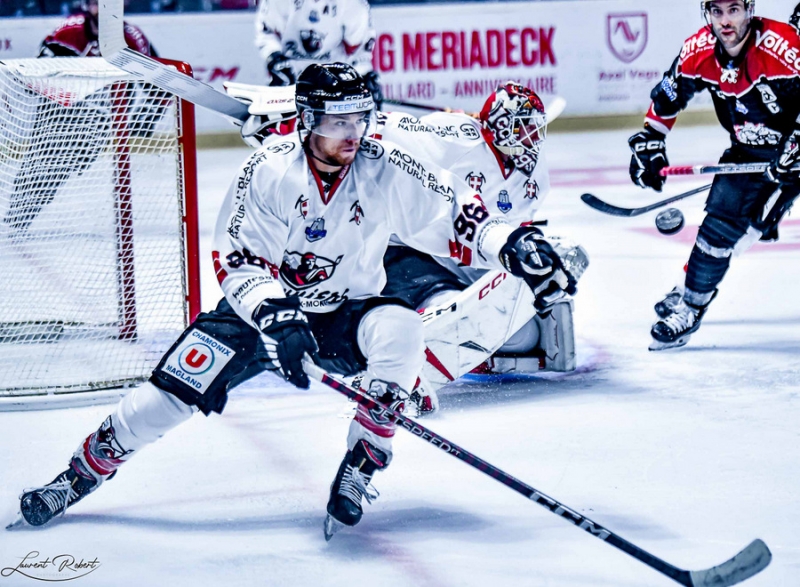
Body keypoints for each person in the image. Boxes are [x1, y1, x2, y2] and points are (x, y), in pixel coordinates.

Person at [11, 64, 580, 539]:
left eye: (359, 118)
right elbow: (239, 260)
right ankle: (80, 473)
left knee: (403, 332)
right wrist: (277, 316)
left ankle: (362, 462)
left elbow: (453, 211)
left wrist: (510, 242)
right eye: (337, 122)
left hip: (346, 313)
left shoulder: (383, 164)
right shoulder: (270, 169)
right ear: (307, 121)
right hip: (259, 315)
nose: (351, 133)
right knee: (164, 400)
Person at [377, 83, 584, 379]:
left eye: (535, 128)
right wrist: (352, 112)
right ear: (500, 125)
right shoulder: (453, 135)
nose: (533, 137)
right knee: (444, 306)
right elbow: (384, 128)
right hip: (410, 246)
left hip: (474, 250)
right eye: (523, 127)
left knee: (521, 336)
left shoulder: (535, 173)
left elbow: (513, 230)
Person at [628, 0, 800, 350]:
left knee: (750, 225)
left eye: (733, 10)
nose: (725, 21)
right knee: (723, 229)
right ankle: (690, 302)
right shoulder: (699, 50)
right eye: (717, 11)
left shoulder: (782, 48)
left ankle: (689, 286)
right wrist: (651, 140)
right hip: (750, 152)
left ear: (749, 10)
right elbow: (668, 95)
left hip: (792, 150)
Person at [3, 0, 158, 234]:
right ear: (87, 5)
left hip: (98, 117)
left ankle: (18, 220)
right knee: (39, 163)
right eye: (96, 3)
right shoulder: (70, 30)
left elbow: (158, 85)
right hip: (58, 108)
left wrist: (145, 120)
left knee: (58, 168)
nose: (101, 8)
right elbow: (38, 70)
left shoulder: (133, 38)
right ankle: (15, 218)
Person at [254, 0, 383, 108]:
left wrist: (363, 76)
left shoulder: (352, 4)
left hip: (335, 87)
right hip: (288, 84)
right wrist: (275, 57)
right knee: (278, 128)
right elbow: (267, 32)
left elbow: (359, 51)